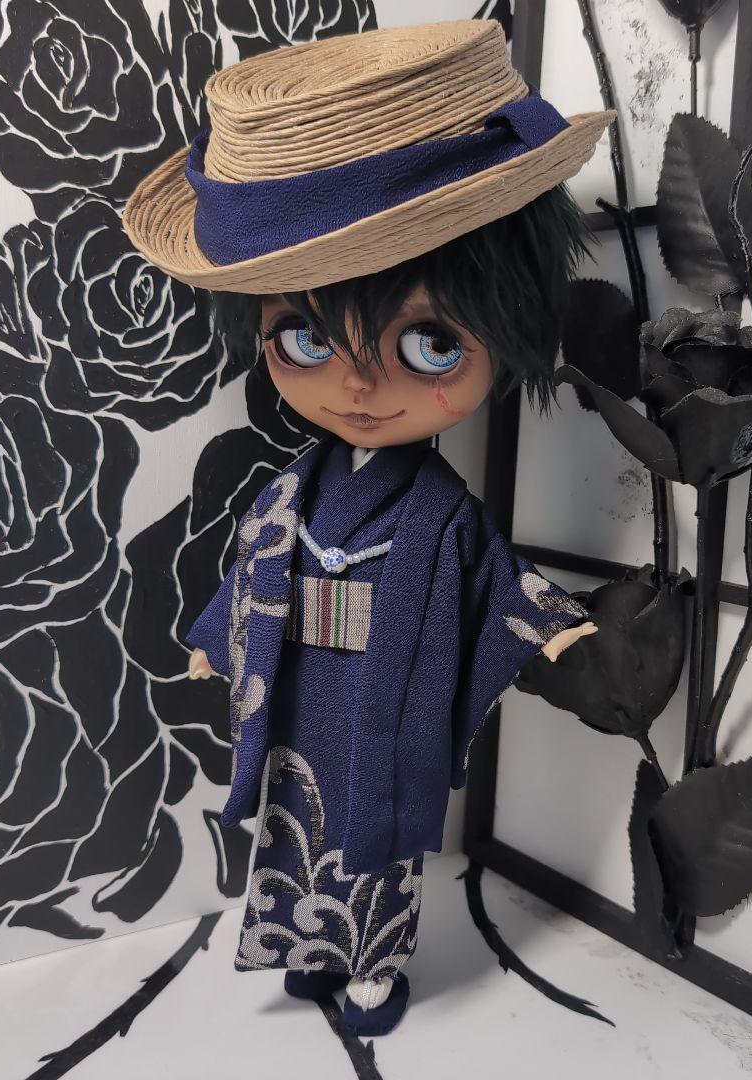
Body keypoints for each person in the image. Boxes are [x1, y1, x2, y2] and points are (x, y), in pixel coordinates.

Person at [123, 18, 611, 1037]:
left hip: (388, 700)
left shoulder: (442, 516)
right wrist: (217, 639)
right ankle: (307, 947)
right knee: (295, 823)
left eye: (428, 342)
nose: (356, 385)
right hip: (303, 691)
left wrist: (552, 624)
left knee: (376, 831)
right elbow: (253, 574)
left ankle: (375, 966)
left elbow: (497, 580)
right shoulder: (288, 497)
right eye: (304, 338)